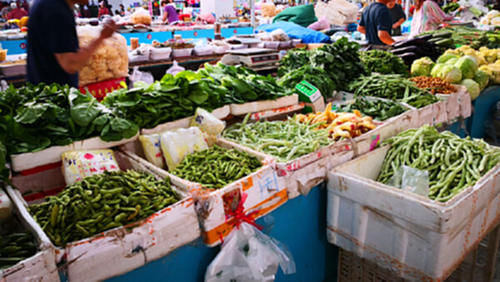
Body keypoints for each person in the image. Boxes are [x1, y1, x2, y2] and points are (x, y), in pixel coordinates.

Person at [27, 0, 117, 87]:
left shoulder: (51, 5)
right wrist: (101, 37)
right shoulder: (56, 11)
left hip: (45, 90)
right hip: (54, 95)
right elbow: (71, 64)